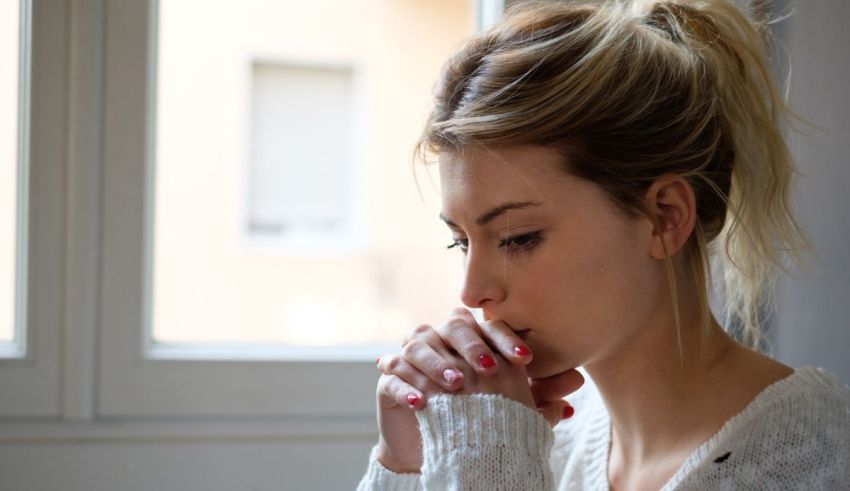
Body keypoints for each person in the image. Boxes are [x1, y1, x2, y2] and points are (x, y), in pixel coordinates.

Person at [357, 0, 850, 489]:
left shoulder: (819, 456)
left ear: (664, 217)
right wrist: (404, 465)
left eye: (517, 238)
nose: (471, 292)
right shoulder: (542, 434)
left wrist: (492, 460)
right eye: (460, 242)